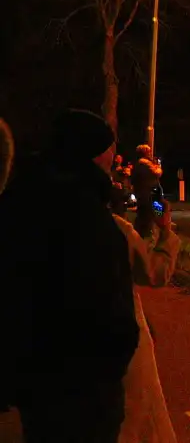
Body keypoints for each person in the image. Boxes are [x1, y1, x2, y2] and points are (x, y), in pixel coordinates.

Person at [0, 109, 139, 442]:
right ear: (90, 153)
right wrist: (109, 378)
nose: (114, 158)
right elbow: (113, 313)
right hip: (83, 394)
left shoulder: (18, 201)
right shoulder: (91, 219)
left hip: (34, 388)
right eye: (109, 149)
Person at [113, 200, 180, 443]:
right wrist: (165, 233)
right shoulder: (114, 228)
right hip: (121, 334)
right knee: (138, 414)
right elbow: (153, 272)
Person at [131, 144, 163, 239]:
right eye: (149, 152)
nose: (150, 153)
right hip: (151, 196)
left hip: (146, 196)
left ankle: (142, 237)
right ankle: (149, 239)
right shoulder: (146, 164)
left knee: (144, 217)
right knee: (153, 217)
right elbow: (158, 172)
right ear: (144, 153)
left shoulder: (138, 165)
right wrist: (158, 166)